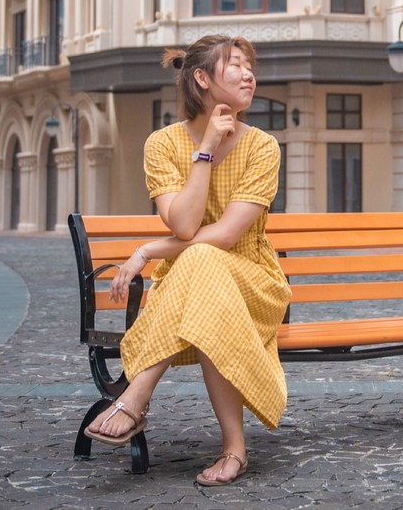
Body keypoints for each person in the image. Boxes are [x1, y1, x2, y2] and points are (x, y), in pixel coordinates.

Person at [83, 35, 289, 487]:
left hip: (254, 281)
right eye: (235, 65)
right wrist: (206, 151)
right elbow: (184, 225)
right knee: (204, 271)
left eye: (250, 65)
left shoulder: (262, 147)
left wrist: (147, 251)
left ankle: (137, 394)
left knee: (204, 260)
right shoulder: (162, 145)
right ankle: (235, 451)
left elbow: (228, 234)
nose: (249, 74)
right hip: (196, 286)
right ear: (202, 78)